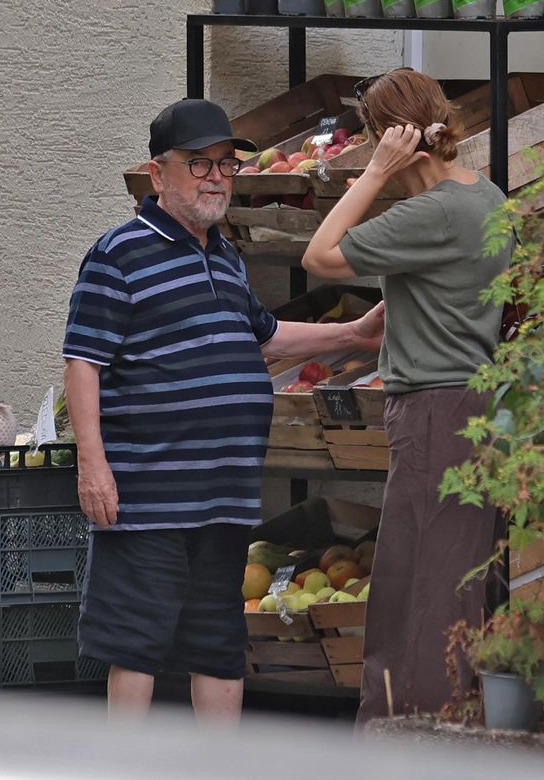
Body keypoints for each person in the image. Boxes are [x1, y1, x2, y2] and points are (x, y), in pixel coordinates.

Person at [63, 98, 384, 721]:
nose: (215, 177)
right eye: (197, 164)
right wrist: (92, 467)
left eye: (225, 164)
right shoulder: (119, 253)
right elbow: (83, 362)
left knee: (220, 646)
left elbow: (265, 337)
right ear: (158, 174)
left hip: (225, 496)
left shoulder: (225, 255)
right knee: (136, 644)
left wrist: (353, 335)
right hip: (148, 497)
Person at [302, 69, 512, 722]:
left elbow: (318, 254)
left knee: (419, 595)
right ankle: (445, 736)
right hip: (472, 411)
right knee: (449, 588)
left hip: (433, 414)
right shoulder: (485, 196)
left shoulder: (431, 213)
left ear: (386, 137)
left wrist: (370, 177)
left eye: (370, 140)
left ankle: (412, 743)